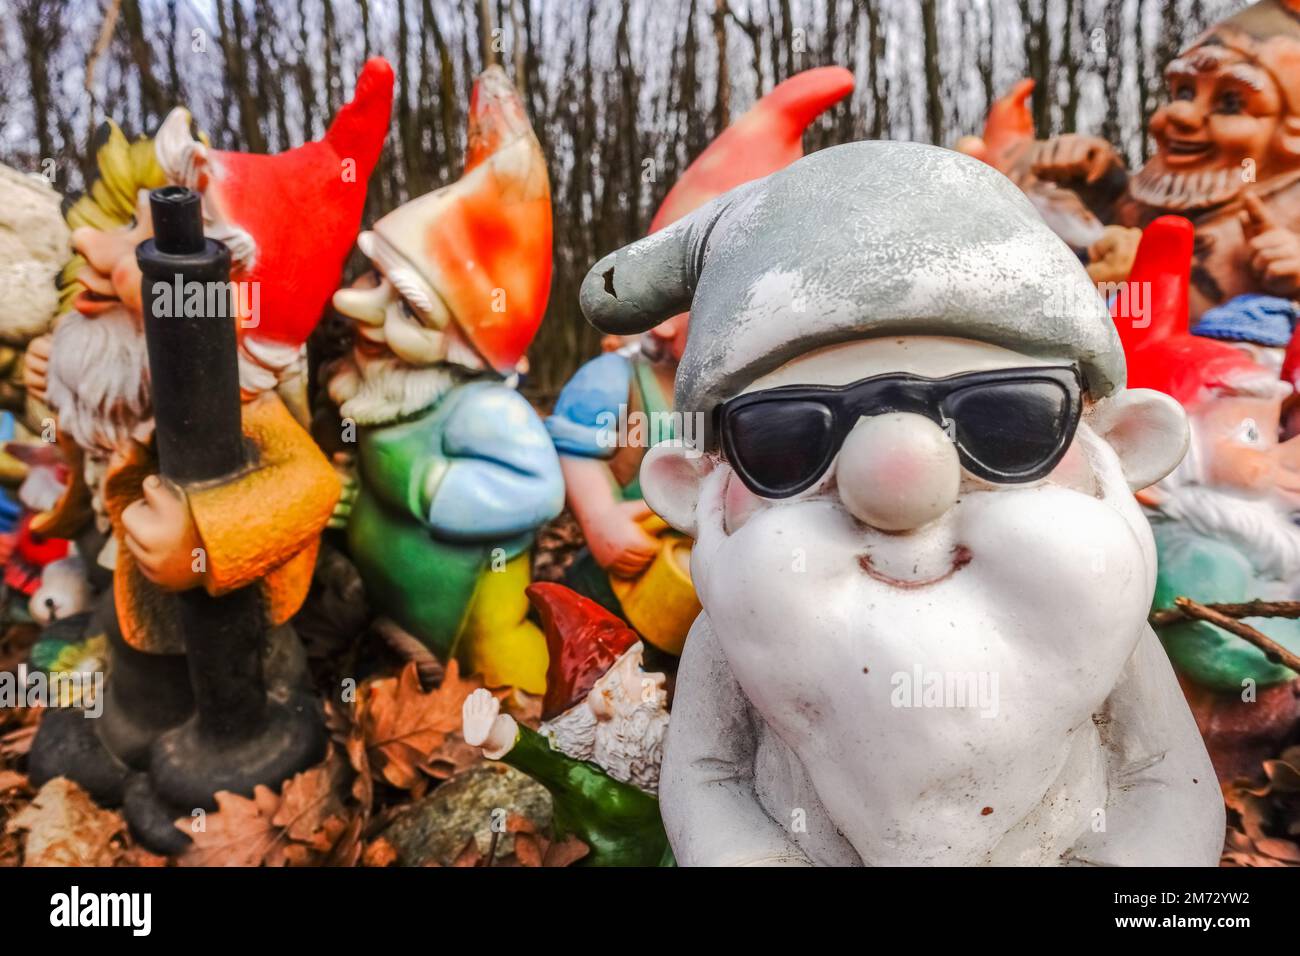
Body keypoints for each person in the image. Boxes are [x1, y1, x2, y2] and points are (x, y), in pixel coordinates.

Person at [578, 140, 1224, 866]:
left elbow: (1165, 777)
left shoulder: (1111, 632)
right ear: (695, 489)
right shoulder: (727, 640)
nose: (900, 485)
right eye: (789, 441)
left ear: (1123, 441)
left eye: (1005, 424)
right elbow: (708, 774)